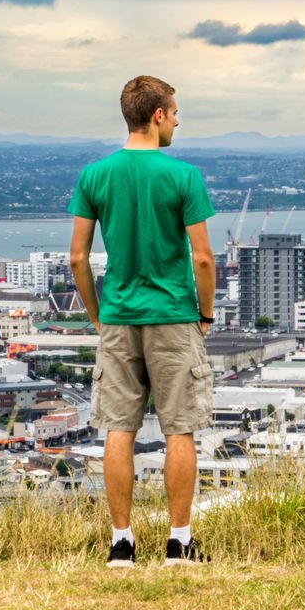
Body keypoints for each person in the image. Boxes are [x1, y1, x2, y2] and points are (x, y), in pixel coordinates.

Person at [68, 75, 216, 568]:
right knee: (180, 429)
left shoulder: (95, 175)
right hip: (173, 316)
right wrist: (207, 315)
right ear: (157, 115)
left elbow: (77, 258)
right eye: (174, 112)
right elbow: (202, 259)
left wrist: (96, 314)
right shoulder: (183, 177)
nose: (177, 120)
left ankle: (121, 544)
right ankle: (178, 542)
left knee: (118, 428)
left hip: (119, 317)